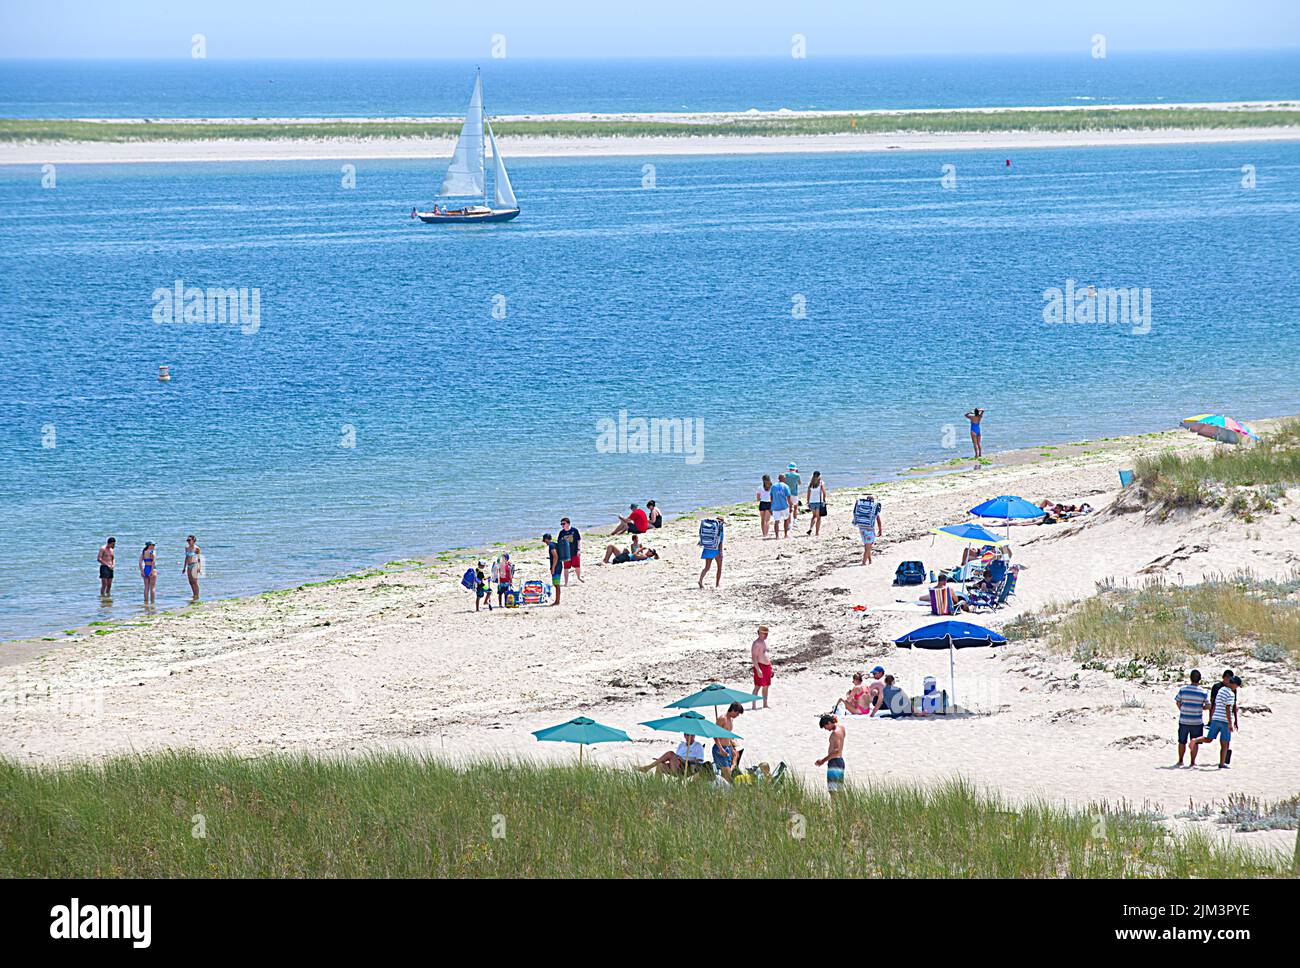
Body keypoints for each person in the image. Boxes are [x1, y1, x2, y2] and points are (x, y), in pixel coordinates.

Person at [1193, 674, 1240, 768]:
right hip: (1224, 721)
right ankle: (1222, 764)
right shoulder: (1231, 694)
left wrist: (1211, 718)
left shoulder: (1221, 690)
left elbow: (1215, 704)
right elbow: (1228, 708)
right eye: (1237, 686)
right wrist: (1230, 723)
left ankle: (1195, 740)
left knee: (1209, 738)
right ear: (1234, 684)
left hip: (1215, 718)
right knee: (1225, 743)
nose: (1237, 688)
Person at [1175, 669, 1209, 767]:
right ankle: (1192, 762)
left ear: (1190, 678)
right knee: (1195, 742)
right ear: (1200, 679)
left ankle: (1180, 760)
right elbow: (1208, 706)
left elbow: (1178, 701)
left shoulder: (1183, 689)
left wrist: (1182, 709)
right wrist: (1201, 708)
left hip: (1184, 720)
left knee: (1182, 742)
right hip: (1196, 721)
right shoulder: (1203, 692)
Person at [638, 733, 706, 775]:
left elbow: (700, 761)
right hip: (676, 765)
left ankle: (647, 767)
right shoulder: (681, 745)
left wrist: (685, 760)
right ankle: (657, 787)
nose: (688, 736)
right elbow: (675, 758)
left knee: (670, 753)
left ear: (694, 736)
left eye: (691, 735)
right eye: (686, 735)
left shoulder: (697, 745)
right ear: (684, 736)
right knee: (660, 765)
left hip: (687, 767)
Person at [816, 713, 846, 796]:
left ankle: (835, 808)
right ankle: (843, 807)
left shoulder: (835, 734)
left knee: (832, 790)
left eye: (826, 727)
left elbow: (836, 750)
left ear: (829, 723)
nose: (826, 729)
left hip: (835, 762)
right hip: (840, 761)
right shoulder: (842, 728)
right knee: (839, 788)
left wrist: (823, 760)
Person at [712, 703, 744, 780]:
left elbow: (728, 736)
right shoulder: (722, 718)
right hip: (720, 748)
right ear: (733, 710)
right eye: (737, 713)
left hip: (727, 748)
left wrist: (731, 749)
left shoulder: (730, 720)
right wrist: (721, 749)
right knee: (727, 774)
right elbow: (714, 735)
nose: (737, 715)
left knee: (726, 775)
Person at [698, 515, 724, 588]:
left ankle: (700, 580)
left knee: (707, 567)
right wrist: (721, 552)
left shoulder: (711, 528)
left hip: (708, 548)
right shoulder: (720, 528)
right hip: (716, 550)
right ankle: (717, 584)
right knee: (719, 568)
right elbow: (721, 542)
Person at [751, 625, 773, 710]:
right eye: (764, 633)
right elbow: (754, 658)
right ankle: (754, 705)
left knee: (766, 686)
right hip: (760, 665)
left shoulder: (765, 642)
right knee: (757, 686)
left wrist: (771, 668)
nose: (766, 635)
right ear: (759, 633)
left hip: (767, 666)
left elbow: (767, 655)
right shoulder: (756, 643)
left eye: (766, 633)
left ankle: (765, 703)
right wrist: (758, 669)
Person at [858, 494, 882, 565]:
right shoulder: (874, 508)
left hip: (862, 528)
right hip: (869, 529)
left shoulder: (862, 508)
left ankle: (870, 560)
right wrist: (880, 530)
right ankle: (863, 563)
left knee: (867, 545)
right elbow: (878, 520)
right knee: (868, 547)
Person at [557, 518, 583, 585]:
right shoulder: (561, 533)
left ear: (568, 523)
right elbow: (559, 542)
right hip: (566, 553)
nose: (562, 525)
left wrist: (579, 550)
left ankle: (579, 577)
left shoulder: (574, 530)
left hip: (575, 551)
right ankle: (566, 583)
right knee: (566, 568)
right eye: (561, 524)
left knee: (577, 566)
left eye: (563, 524)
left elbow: (578, 541)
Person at [769, 474, 793, 539]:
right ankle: (785, 535)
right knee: (786, 520)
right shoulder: (786, 486)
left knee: (776, 521)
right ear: (784, 479)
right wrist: (791, 506)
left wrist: (771, 505)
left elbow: (771, 497)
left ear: (778, 478)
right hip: (784, 506)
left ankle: (777, 536)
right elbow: (788, 497)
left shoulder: (773, 486)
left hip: (776, 506)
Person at [543, 533, 562, 606]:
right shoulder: (554, 544)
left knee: (556, 584)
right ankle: (557, 600)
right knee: (556, 584)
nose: (545, 542)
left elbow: (555, 556)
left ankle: (557, 601)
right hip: (559, 565)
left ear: (547, 539)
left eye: (545, 540)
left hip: (557, 567)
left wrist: (553, 567)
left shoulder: (551, 546)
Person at [805, 471, 827, 536]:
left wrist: (808, 502)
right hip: (818, 502)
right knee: (818, 517)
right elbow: (824, 492)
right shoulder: (821, 483)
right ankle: (817, 533)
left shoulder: (810, 483)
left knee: (814, 516)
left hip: (812, 502)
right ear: (819, 476)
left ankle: (811, 528)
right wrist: (824, 499)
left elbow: (808, 494)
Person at [182, 535, 201, 600]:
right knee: (190, 582)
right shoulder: (186, 548)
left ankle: (197, 595)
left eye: (189, 540)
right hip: (189, 566)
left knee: (195, 582)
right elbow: (186, 557)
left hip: (195, 565)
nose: (188, 541)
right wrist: (184, 567)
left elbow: (199, 559)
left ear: (193, 540)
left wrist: (199, 567)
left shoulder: (197, 548)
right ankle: (194, 594)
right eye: (187, 540)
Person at [139, 542, 157, 606]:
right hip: (152, 569)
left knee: (146, 587)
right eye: (153, 545)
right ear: (150, 545)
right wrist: (152, 571)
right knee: (153, 587)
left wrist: (141, 571)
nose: (154, 546)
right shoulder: (152, 552)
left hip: (146, 569)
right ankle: (152, 602)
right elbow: (153, 562)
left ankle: (145, 602)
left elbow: (140, 562)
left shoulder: (144, 552)